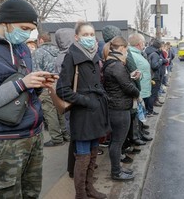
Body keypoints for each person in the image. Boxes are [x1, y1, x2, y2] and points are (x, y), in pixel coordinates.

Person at [0, 0, 57, 198]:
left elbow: (23, 92)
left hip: (33, 134)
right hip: (5, 141)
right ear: (6, 22)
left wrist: (38, 85)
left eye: (31, 29)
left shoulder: (23, 49)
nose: (27, 34)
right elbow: (18, 85)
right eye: (24, 27)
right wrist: (23, 83)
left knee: (32, 192)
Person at [56, 21, 110, 199]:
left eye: (91, 34)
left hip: (96, 112)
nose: (89, 38)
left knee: (94, 152)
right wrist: (85, 100)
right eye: (85, 35)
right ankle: (80, 194)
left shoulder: (94, 55)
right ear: (77, 37)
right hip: (83, 114)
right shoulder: (71, 56)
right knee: (83, 156)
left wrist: (101, 96)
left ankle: (90, 189)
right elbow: (62, 89)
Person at [102, 36, 139, 181]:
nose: (127, 53)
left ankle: (117, 169)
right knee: (118, 142)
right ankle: (116, 172)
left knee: (115, 141)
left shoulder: (110, 63)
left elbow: (118, 82)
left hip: (115, 106)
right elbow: (127, 87)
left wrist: (129, 76)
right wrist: (137, 93)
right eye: (127, 50)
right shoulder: (117, 65)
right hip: (119, 108)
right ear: (122, 48)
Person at [33, 31, 70, 146]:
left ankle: (56, 138)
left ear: (41, 40)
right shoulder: (59, 51)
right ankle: (66, 134)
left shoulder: (38, 52)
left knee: (49, 111)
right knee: (60, 110)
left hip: (46, 84)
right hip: (60, 83)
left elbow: (36, 71)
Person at [54, 28, 76, 178]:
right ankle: (74, 168)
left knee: (74, 134)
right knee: (75, 135)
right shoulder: (68, 57)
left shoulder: (61, 55)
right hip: (71, 101)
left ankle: (73, 166)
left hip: (67, 100)